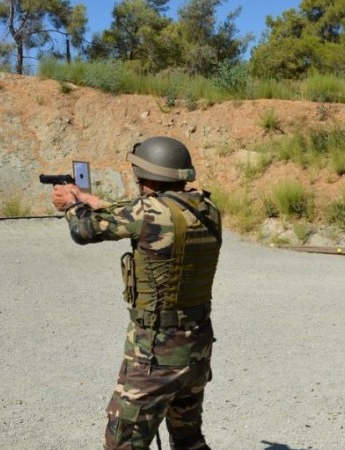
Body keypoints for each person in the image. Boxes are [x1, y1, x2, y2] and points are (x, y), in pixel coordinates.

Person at [50, 136, 222, 449]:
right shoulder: (207, 209)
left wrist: (71, 206)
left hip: (155, 354)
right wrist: (89, 199)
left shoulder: (147, 213)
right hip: (195, 349)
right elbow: (140, 213)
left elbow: (83, 231)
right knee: (189, 440)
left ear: (145, 177)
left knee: (123, 444)